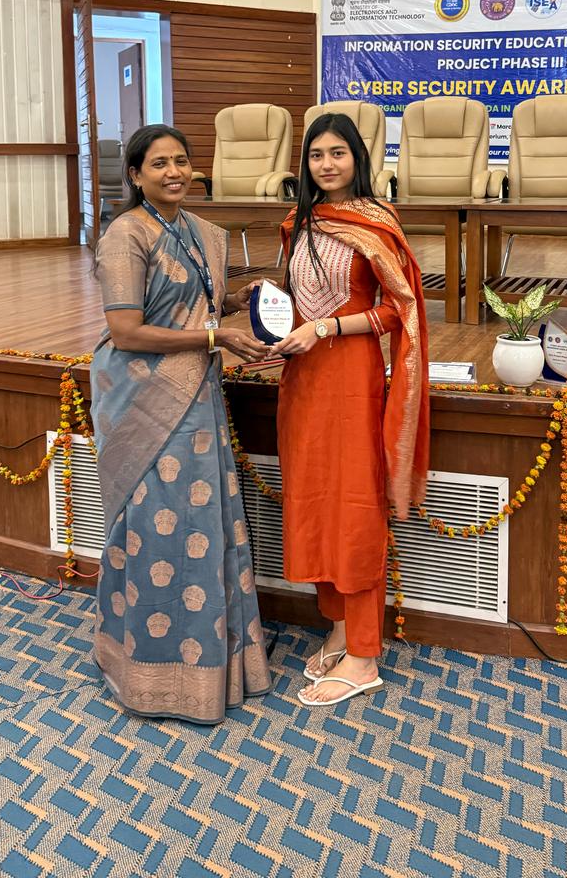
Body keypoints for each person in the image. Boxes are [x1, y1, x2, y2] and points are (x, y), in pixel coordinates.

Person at [90, 123, 273, 723]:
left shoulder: (197, 231)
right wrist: (216, 337)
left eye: (181, 161)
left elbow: (194, 304)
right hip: (144, 398)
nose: (174, 173)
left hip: (196, 392)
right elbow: (126, 331)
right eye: (159, 164)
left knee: (202, 520)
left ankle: (212, 661)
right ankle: (148, 668)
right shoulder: (126, 235)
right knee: (156, 523)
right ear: (136, 175)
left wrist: (237, 301)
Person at [270, 113, 430, 707]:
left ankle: (364, 654)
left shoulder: (377, 222)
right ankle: (337, 626)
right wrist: (275, 324)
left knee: (355, 505)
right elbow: (296, 302)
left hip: (353, 377)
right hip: (303, 379)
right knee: (312, 498)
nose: (327, 164)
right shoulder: (297, 223)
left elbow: (398, 310)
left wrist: (328, 327)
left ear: (358, 159)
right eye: (317, 155)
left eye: (338, 153)